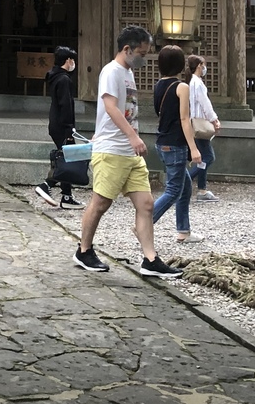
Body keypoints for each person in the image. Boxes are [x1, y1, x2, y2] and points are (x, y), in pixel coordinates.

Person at [73, 25, 182, 278]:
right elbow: (110, 107)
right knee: (101, 202)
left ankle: (150, 259)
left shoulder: (128, 72)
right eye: (142, 53)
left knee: (146, 205)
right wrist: (133, 136)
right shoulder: (111, 71)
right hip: (113, 149)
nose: (144, 58)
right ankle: (84, 250)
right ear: (127, 49)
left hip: (129, 152)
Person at [150, 46, 204, 244]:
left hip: (162, 142)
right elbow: (184, 119)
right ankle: (144, 224)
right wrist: (194, 148)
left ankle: (183, 231)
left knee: (185, 186)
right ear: (181, 65)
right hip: (175, 144)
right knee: (173, 190)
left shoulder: (158, 85)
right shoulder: (182, 87)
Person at [34, 46, 83, 209]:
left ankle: (67, 197)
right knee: (67, 160)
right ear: (67, 60)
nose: (73, 63)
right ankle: (46, 185)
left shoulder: (55, 77)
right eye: (72, 60)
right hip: (62, 126)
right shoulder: (64, 80)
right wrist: (69, 129)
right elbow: (65, 106)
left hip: (56, 123)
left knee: (67, 158)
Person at [187, 54, 221, 201]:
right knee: (208, 157)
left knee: (203, 159)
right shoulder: (197, 83)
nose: (204, 68)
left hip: (196, 122)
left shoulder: (192, 82)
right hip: (201, 122)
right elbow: (205, 103)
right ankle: (186, 180)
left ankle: (202, 189)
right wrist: (214, 119)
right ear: (199, 66)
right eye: (203, 65)